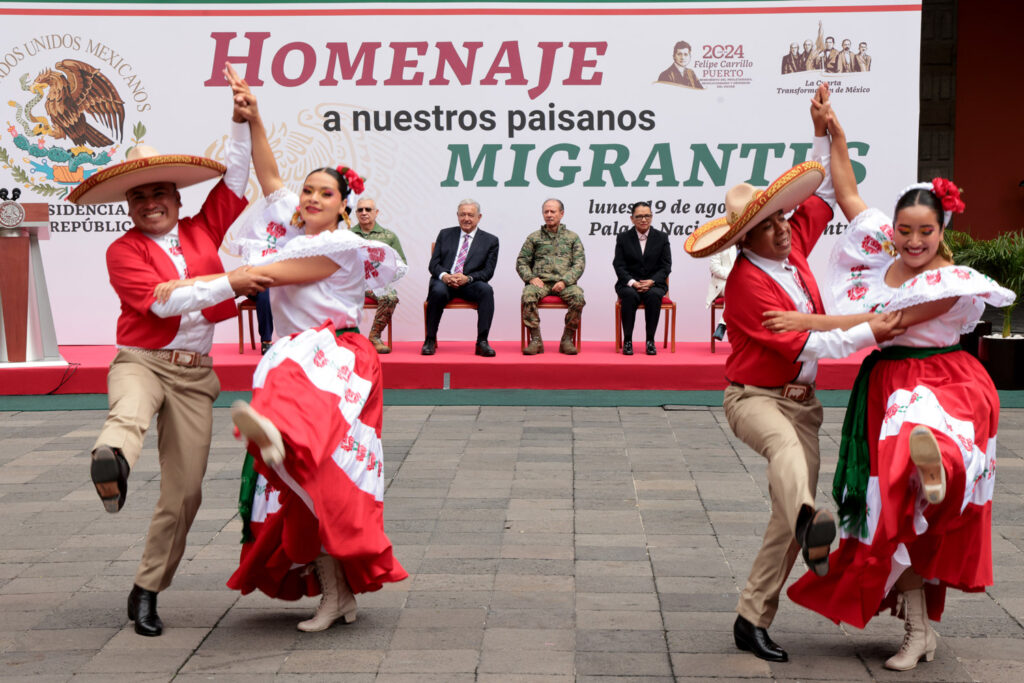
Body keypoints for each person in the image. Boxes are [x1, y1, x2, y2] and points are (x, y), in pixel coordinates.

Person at [158, 66, 409, 632]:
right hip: (295, 357)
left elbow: (273, 275)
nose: (312, 198)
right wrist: (254, 114)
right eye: (309, 191)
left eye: (327, 193)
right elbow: (269, 175)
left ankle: (279, 431)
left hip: (338, 361)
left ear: (344, 206)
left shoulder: (343, 246)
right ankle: (335, 593)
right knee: (306, 485)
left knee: (327, 474)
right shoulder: (290, 227)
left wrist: (193, 286)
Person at [783, 108, 1014, 671]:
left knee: (921, 472)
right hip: (888, 386)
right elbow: (847, 191)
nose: (912, 240)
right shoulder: (883, 251)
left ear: (943, 232)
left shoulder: (948, 284)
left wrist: (806, 324)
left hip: (943, 381)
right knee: (891, 506)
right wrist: (834, 133)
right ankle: (918, 625)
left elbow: (883, 326)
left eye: (925, 232)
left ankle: (935, 473)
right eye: (904, 230)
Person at [683, 83, 906, 663]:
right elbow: (816, 338)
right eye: (771, 225)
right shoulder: (747, 285)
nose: (786, 228)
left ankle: (751, 616)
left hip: (803, 400)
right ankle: (810, 519)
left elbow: (825, 185)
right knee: (785, 456)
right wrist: (874, 326)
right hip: (754, 398)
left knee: (787, 513)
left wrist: (827, 127)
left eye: (784, 219)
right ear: (745, 239)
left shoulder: (792, 243)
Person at [67, 77, 271, 637]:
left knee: (185, 494)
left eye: (160, 192)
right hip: (142, 360)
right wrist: (230, 281)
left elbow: (235, 175)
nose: (150, 202)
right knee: (125, 417)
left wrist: (241, 118)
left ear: (179, 199)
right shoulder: (123, 250)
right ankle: (111, 464)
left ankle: (146, 590)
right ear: (128, 206)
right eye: (138, 196)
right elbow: (165, 307)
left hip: (194, 376)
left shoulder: (204, 227)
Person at [423, 199, 500, 357]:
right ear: (457, 216)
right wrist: (445, 276)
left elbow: (488, 272)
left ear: (479, 217)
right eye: (462, 214)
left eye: (470, 215)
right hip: (445, 282)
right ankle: (430, 339)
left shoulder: (490, 241)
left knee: (487, 290)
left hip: (469, 284)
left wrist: (468, 278)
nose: (466, 218)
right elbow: (434, 264)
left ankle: (482, 342)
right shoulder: (445, 234)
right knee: (437, 291)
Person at [518, 198, 586, 355]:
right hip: (540, 283)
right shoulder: (534, 237)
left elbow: (579, 264)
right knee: (528, 294)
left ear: (561, 214)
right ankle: (536, 340)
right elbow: (522, 261)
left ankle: (567, 339)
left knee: (578, 297)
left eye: (553, 211)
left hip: (565, 284)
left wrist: (565, 281)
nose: (549, 215)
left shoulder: (572, 238)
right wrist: (530, 278)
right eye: (546, 212)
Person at [613, 201, 671, 355]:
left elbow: (666, 266)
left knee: (653, 296)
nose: (644, 219)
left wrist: (652, 281)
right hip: (629, 283)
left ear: (652, 217)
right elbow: (619, 265)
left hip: (654, 284)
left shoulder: (662, 237)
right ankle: (628, 341)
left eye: (647, 216)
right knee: (630, 296)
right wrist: (632, 283)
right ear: (632, 218)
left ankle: (650, 341)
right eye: (639, 216)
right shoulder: (623, 237)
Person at [352, 197, 406, 353]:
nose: (364, 213)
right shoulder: (347, 236)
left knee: (390, 296)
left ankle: (374, 337)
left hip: (378, 284)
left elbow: (401, 264)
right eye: (360, 210)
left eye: (368, 209)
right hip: (352, 284)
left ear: (376, 213)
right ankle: (345, 339)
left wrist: (384, 276)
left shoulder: (389, 237)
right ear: (356, 213)